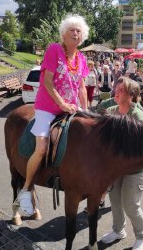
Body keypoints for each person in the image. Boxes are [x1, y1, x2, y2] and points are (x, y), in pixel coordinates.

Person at [16, 14, 89, 216]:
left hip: (71, 108)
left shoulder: (82, 58)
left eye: (79, 30)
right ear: (64, 34)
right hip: (48, 107)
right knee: (41, 147)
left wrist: (86, 109)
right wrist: (62, 104)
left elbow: (82, 87)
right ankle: (25, 188)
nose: (76, 33)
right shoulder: (54, 50)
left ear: (83, 36)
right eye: (72, 30)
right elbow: (47, 82)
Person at [101, 77, 143, 250]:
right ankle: (118, 231)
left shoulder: (137, 115)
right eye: (116, 88)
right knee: (114, 201)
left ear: (131, 95)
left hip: (135, 169)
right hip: (117, 168)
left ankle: (142, 236)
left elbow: (135, 149)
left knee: (130, 204)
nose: (116, 91)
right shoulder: (112, 110)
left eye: (121, 89)